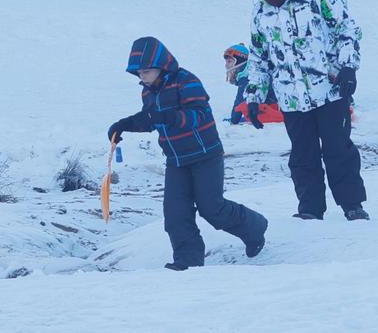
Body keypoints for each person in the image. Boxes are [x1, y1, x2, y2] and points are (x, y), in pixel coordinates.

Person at [108, 37, 268, 271]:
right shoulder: (148, 92)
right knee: (175, 214)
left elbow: (199, 115)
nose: (142, 77)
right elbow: (151, 119)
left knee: (212, 208)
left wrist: (166, 117)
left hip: (205, 155)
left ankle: (254, 227)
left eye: (147, 72)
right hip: (176, 160)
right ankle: (188, 262)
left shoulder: (186, 81)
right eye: (139, 73)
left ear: (162, 66)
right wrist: (124, 125)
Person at [241, 0, 368, 221]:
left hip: (329, 91)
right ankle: (310, 209)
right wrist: (253, 96)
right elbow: (258, 56)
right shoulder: (261, 13)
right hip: (291, 98)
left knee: (338, 149)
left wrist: (347, 67)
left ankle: (352, 205)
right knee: (302, 155)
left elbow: (347, 29)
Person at [223, 43, 284, 125]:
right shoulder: (250, 73)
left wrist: (234, 120)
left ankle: (281, 117)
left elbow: (239, 100)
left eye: (230, 61)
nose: (226, 65)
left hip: (266, 109)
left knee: (242, 106)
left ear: (240, 62)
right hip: (271, 105)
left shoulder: (247, 78)